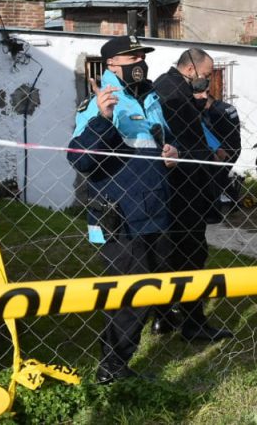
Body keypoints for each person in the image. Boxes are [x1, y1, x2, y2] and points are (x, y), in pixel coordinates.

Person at [68, 35, 179, 384]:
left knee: (156, 283)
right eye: (132, 57)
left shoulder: (151, 98)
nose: (140, 62)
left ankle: (157, 325)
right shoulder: (101, 102)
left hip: (154, 209)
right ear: (113, 65)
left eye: (142, 56)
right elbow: (80, 159)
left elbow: (157, 142)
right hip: (120, 216)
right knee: (131, 296)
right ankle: (111, 368)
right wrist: (102, 117)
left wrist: (169, 154)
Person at [152, 48, 234, 341]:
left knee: (168, 255)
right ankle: (193, 322)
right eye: (207, 75)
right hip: (184, 190)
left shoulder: (165, 87)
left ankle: (163, 316)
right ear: (191, 70)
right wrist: (210, 155)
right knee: (191, 255)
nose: (208, 81)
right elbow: (183, 144)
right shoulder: (175, 97)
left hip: (173, 192)